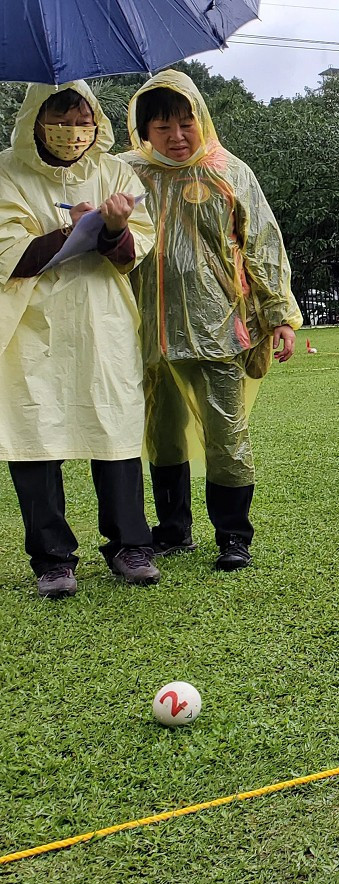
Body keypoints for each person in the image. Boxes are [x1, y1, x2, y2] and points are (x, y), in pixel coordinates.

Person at [123, 70, 302, 571]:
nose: (177, 137)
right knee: (161, 431)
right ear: (143, 131)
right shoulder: (124, 173)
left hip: (217, 325)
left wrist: (279, 313)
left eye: (186, 123)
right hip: (144, 327)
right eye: (162, 128)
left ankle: (233, 536)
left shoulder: (229, 171)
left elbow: (262, 244)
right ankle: (173, 529)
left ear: (202, 119)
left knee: (227, 431)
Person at [0, 81, 159, 596]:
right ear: (35, 120)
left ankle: (129, 545)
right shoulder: (7, 172)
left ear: (97, 123)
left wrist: (110, 229)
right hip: (33, 325)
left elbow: (134, 250)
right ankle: (51, 559)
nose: (73, 132)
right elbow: (10, 254)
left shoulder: (116, 171)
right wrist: (72, 233)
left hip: (100, 320)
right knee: (34, 436)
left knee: (113, 426)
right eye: (61, 119)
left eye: (82, 120)